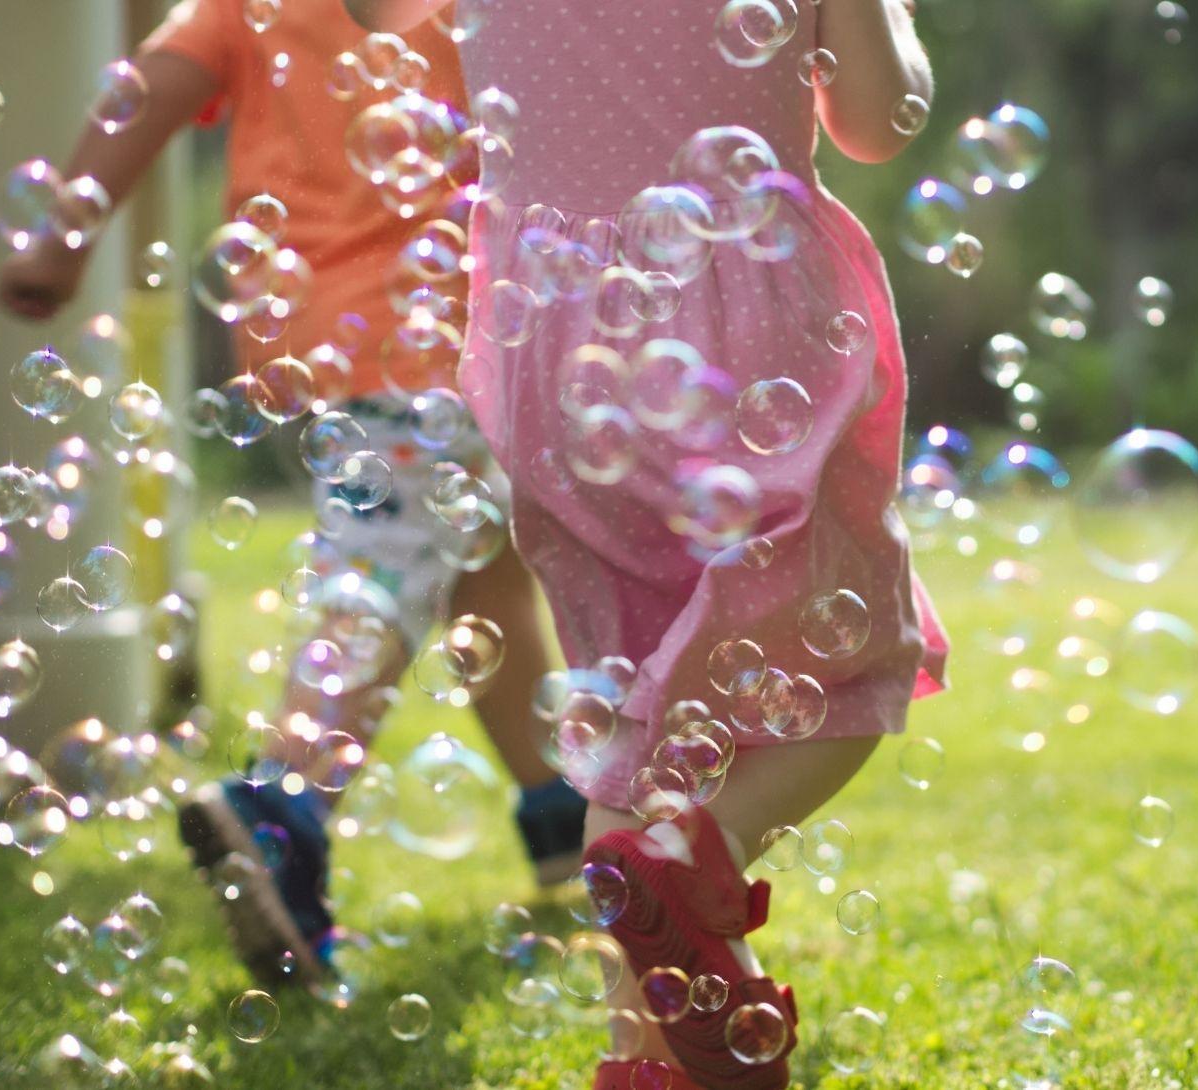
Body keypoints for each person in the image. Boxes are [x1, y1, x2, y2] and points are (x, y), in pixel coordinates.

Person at [344, 1, 946, 1087]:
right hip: (749, 327)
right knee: (857, 659)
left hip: (555, 339)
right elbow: (876, 121)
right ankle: (698, 851)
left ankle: (650, 1057)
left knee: (634, 714)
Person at [0, 0, 583, 989]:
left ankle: (563, 819)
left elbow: (145, 93)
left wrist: (63, 238)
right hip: (450, 332)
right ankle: (284, 807)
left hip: (323, 336)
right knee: (385, 570)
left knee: (480, 567)